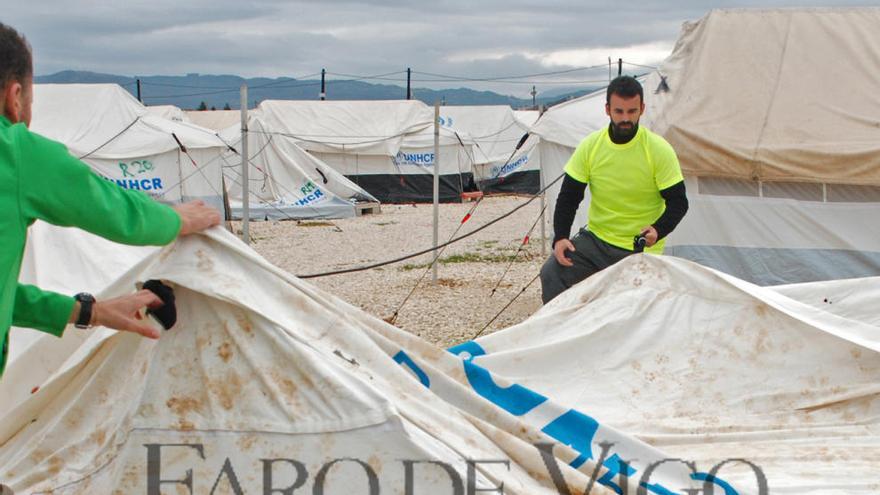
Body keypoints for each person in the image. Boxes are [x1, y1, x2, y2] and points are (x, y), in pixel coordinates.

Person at [0, 23, 222, 377]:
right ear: (14, 98)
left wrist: (91, 312)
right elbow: (112, 209)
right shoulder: (13, 150)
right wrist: (177, 219)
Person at [539, 75, 688, 304]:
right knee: (552, 272)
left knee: (629, 305)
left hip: (639, 248)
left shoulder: (658, 150)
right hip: (597, 241)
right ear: (607, 110)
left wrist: (658, 230)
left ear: (642, 109)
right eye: (619, 112)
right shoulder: (591, 146)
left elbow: (679, 202)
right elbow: (569, 197)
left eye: (632, 111)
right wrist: (560, 237)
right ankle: (563, 334)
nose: (626, 119)